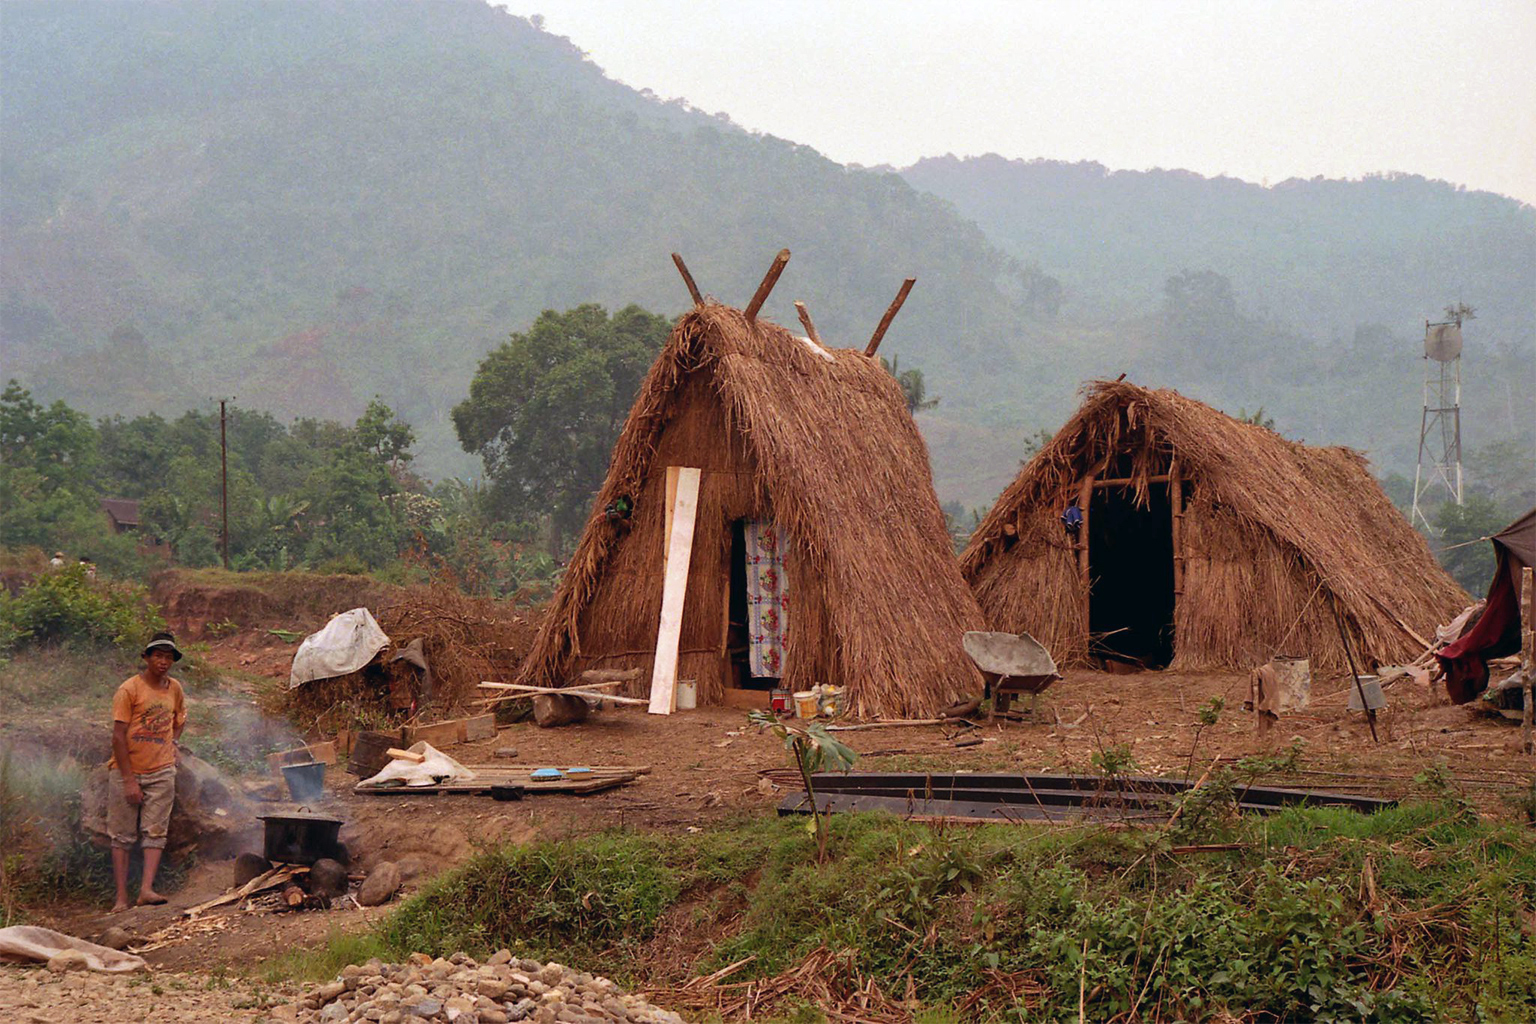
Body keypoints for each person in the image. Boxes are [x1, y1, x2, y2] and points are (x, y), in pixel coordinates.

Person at [108, 631, 188, 912]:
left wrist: (174, 743)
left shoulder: (174, 688)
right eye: (158, 655)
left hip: (162, 770)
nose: (163, 661)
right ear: (146, 657)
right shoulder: (128, 689)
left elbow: (179, 719)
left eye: (168, 657)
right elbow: (118, 737)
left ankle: (145, 890)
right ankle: (120, 898)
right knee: (121, 835)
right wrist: (129, 780)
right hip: (127, 769)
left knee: (155, 832)